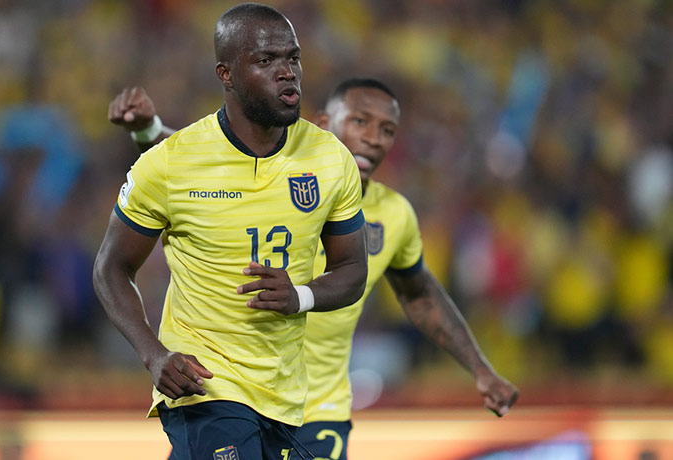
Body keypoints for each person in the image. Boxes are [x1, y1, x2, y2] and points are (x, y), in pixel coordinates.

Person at [109, 78, 519, 458]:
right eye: (359, 122)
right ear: (323, 123)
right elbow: (200, 163)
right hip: (231, 391)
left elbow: (419, 293)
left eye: (387, 130)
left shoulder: (394, 216)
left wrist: (481, 370)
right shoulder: (276, 174)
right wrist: (148, 132)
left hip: (317, 410)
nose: (373, 139)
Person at [93, 3, 368, 460]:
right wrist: (153, 354)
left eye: (293, 58)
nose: (287, 73)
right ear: (226, 73)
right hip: (205, 385)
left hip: (284, 394)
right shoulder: (169, 164)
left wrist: (300, 295)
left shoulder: (330, 159)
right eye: (266, 61)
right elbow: (110, 269)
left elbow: (353, 268)